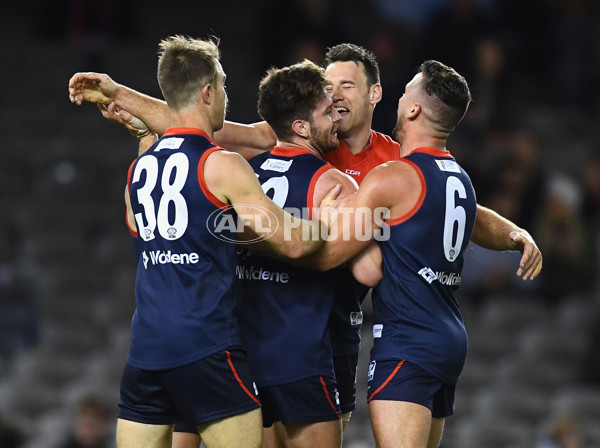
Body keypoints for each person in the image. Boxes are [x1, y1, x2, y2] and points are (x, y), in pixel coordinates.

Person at [68, 43, 542, 433]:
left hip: (327, 326)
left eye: (346, 86)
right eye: (327, 86)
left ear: (376, 94)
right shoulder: (303, 147)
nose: (334, 95)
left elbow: (461, 210)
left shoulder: (392, 164)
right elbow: (200, 126)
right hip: (295, 332)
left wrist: (513, 232)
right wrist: (120, 94)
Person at [77, 35, 336, 448]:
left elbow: (137, 224)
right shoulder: (222, 164)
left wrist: (145, 139)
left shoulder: (140, 169)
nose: (226, 98)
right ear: (208, 92)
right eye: (225, 88)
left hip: (146, 353)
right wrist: (327, 225)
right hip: (208, 349)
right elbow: (293, 244)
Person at [308, 60, 542, 448]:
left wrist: (328, 212)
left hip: (406, 338)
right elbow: (479, 221)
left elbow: (337, 255)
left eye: (404, 94)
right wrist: (516, 232)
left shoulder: (393, 177)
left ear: (414, 109)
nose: (399, 100)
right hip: (448, 335)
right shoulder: (460, 179)